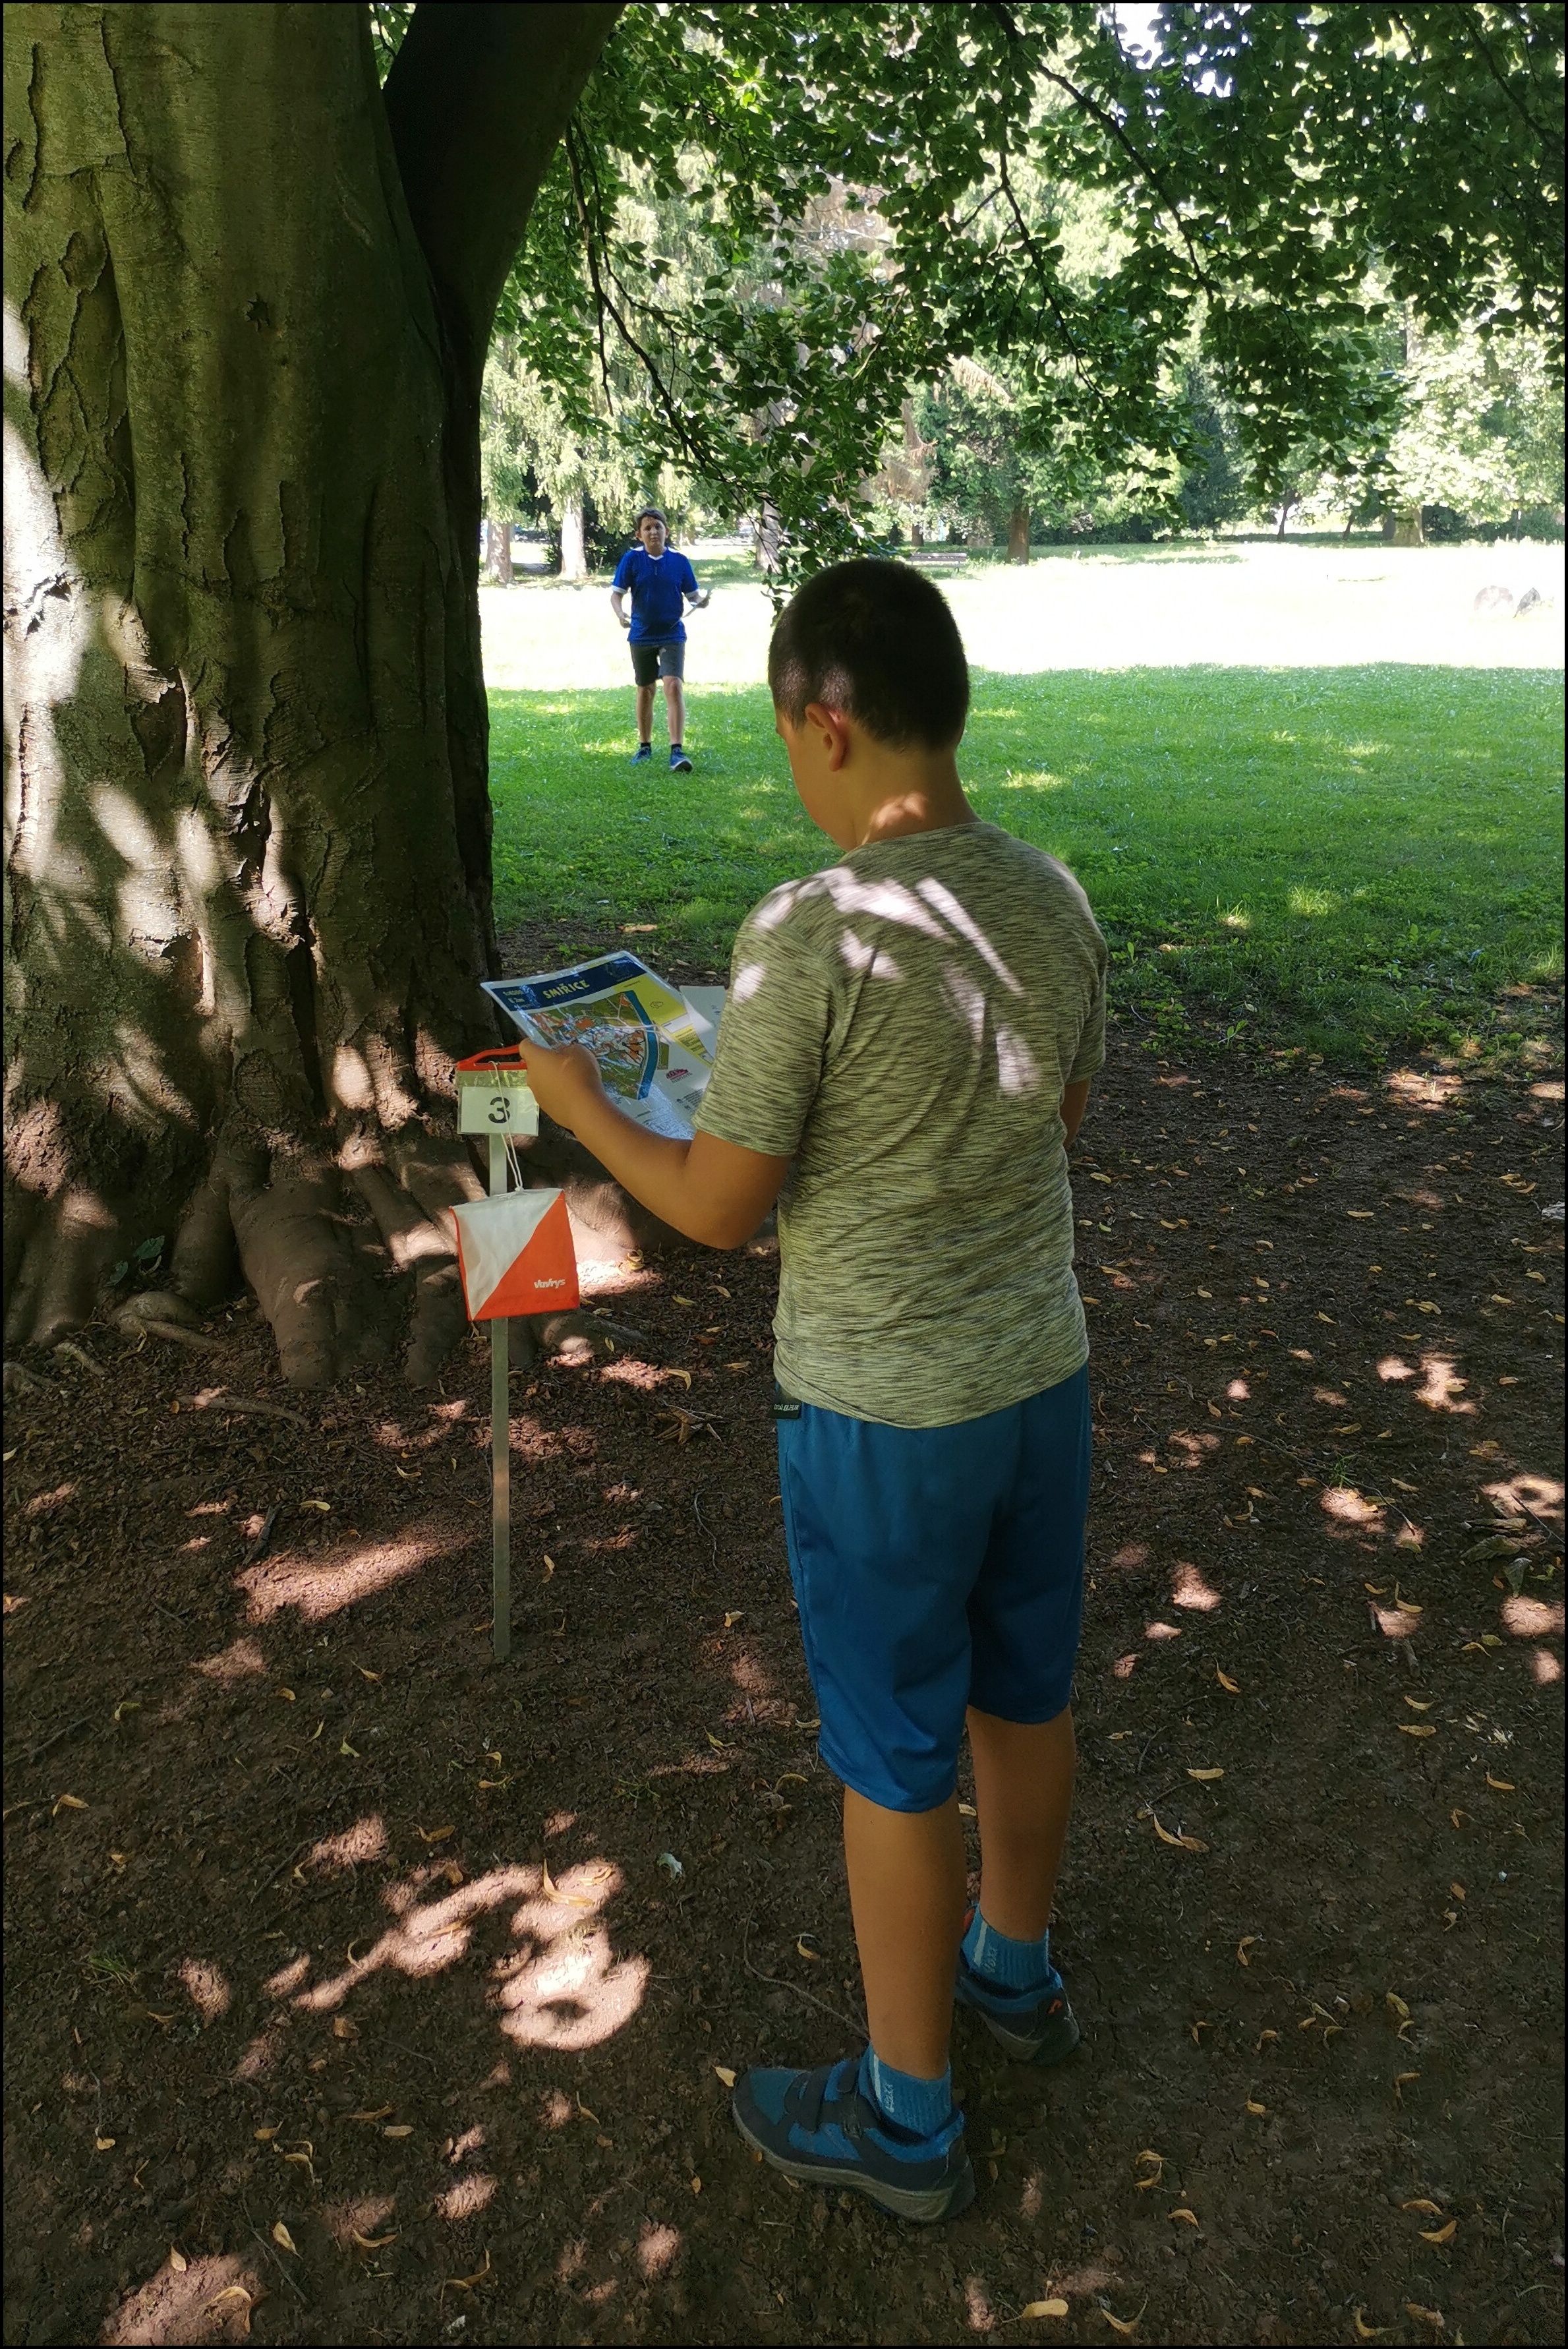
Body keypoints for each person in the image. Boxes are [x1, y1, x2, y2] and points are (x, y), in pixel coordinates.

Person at [516, 559, 1106, 2225]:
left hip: (878, 1418)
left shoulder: (810, 930)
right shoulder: (1051, 896)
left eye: (786, 735)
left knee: (894, 1750)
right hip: (1037, 1379)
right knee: (1023, 1691)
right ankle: (1013, 1970)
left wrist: (579, 1100)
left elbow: (715, 1208)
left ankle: (906, 2119)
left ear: (825, 724)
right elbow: (1057, 1115)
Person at [610, 508, 708, 771]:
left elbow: (693, 596)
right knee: (646, 689)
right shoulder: (631, 560)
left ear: (667, 531)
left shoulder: (679, 561)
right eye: (648, 528)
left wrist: (701, 601)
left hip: (672, 633)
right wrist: (620, 614)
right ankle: (645, 747)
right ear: (639, 534)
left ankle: (677, 751)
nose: (653, 532)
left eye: (658, 527)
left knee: (673, 685)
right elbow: (616, 594)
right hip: (641, 635)